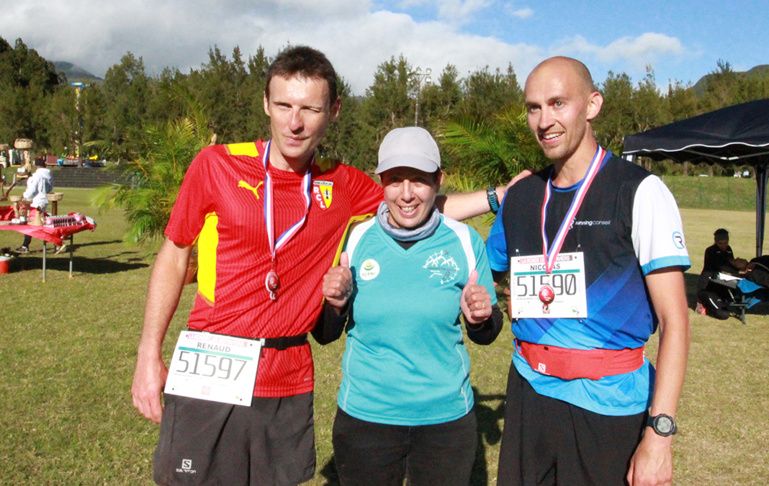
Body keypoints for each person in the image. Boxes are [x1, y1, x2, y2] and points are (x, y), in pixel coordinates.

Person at [130, 45, 518, 486]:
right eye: (283, 106)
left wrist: (497, 196)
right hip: (213, 360)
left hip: (288, 368)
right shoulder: (217, 164)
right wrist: (148, 355)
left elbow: (415, 203)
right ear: (266, 104)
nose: (294, 122)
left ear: (332, 111)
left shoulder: (343, 183)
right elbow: (175, 253)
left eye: (310, 109)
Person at [485, 57, 691, 486]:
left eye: (558, 103)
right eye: (533, 107)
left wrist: (660, 435)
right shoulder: (521, 195)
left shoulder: (639, 190)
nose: (544, 120)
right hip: (528, 394)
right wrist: (484, 297)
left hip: (607, 405)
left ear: (592, 104)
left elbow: (676, 321)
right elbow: (488, 277)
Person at [314, 127, 503, 485]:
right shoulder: (356, 238)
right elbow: (324, 334)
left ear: (438, 180)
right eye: (395, 180)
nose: (406, 194)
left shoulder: (464, 240)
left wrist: (480, 318)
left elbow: (488, 333)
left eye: (419, 180)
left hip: (444, 422)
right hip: (366, 419)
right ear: (380, 182)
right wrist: (335, 305)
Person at [695, 228, 737, 318]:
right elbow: (717, 267)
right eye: (720, 244)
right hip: (708, 284)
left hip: (722, 282)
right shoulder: (710, 251)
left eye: (725, 243)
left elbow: (731, 264)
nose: (723, 246)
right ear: (715, 242)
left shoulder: (729, 250)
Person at [14, 157, 53, 254]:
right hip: (43, 201)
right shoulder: (48, 175)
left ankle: (58, 242)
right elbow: (49, 189)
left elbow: (31, 191)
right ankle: (25, 245)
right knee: (40, 223)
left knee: (32, 225)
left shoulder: (36, 176)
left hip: (35, 203)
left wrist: (24, 196)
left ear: (36, 166)